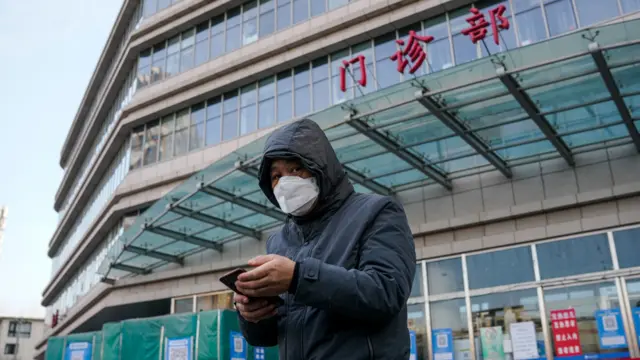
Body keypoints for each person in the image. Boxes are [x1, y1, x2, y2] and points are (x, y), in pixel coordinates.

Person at [233, 118, 417, 359]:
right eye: (276, 176)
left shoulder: (377, 212)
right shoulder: (278, 241)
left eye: (296, 169)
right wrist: (253, 315)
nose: (285, 182)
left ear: (321, 166)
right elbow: (270, 336)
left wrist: (298, 277)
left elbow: (386, 292)